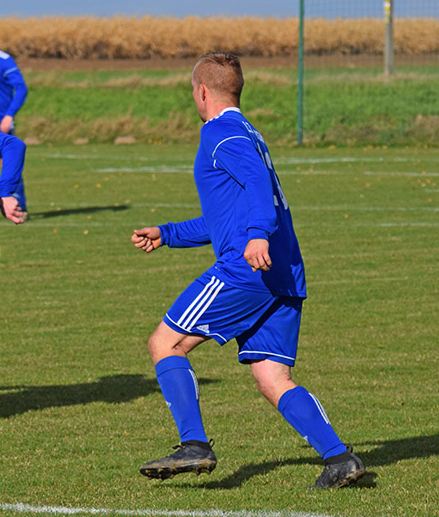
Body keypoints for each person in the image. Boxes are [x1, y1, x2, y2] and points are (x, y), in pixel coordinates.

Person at [130, 52, 365, 489]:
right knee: (271, 376)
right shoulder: (248, 132)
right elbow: (225, 218)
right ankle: (339, 459)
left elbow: (256, 185)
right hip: (283, 274)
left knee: (165, 343)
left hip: (247, 271)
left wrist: (257, 234)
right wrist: (168, 233)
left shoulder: (220, 134)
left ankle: (194, 444)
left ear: (201, 92)